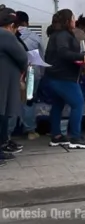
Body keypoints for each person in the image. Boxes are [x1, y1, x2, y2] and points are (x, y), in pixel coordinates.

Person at [44, 9, 85, 149]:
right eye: (73, 18)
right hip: (63, 77)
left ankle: (56, 135)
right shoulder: (63, 35)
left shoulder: (56, 34)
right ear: (67, 21)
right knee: (78, 104)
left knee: (58, 105)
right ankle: (76, 137)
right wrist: (81, 57)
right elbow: (63, 52)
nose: (75, 20)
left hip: (55, 75)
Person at [0, 8, 29, 163]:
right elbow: (22, 56)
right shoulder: (6, 35)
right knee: (1, 114)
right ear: (11, 25)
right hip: (4, 81)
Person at [10, 11, 43, 140]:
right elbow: (42, 57)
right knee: (29, 101)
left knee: (11, 102)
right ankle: (30, 130)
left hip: (13, 73)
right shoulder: (35, 37)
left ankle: (9, 132)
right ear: (27, 23)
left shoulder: (8, 35)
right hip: (32, 73)